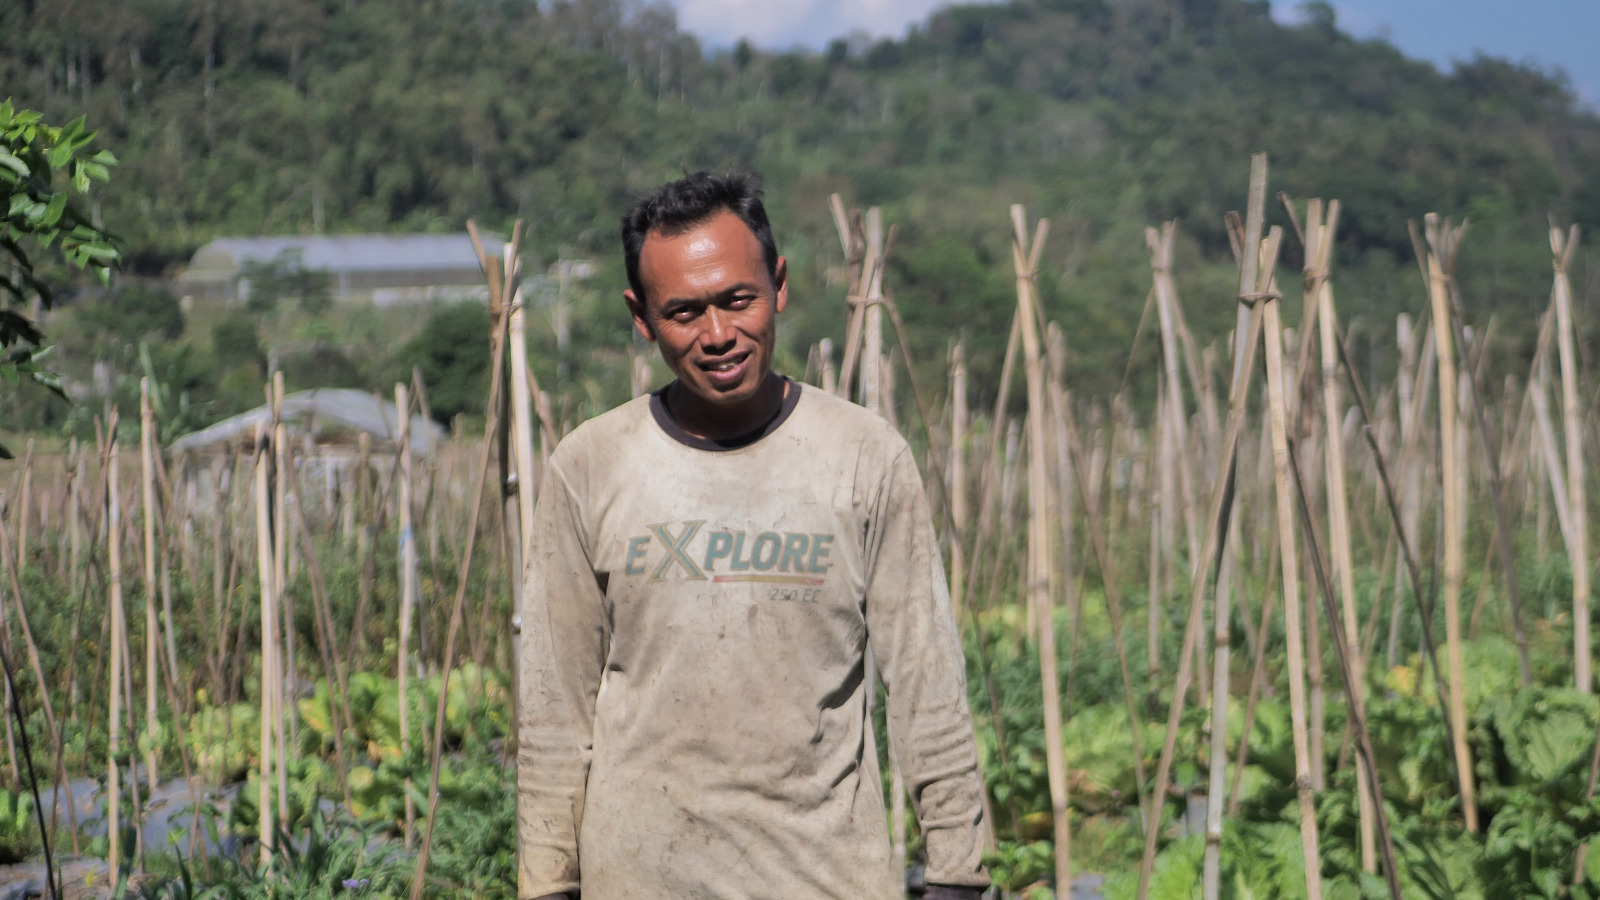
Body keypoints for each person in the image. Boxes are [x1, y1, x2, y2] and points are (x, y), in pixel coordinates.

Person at [517, 171, 990, 900]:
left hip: (825, 879)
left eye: (738, 299)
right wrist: (547, 884)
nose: (717, 335)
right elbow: (555, 713)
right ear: (641, 316)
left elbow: (927, 686)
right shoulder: (591, 466)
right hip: (641, 879)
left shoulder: (863, 456)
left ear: (779, 284)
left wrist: (958, 871)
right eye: (684, 311)